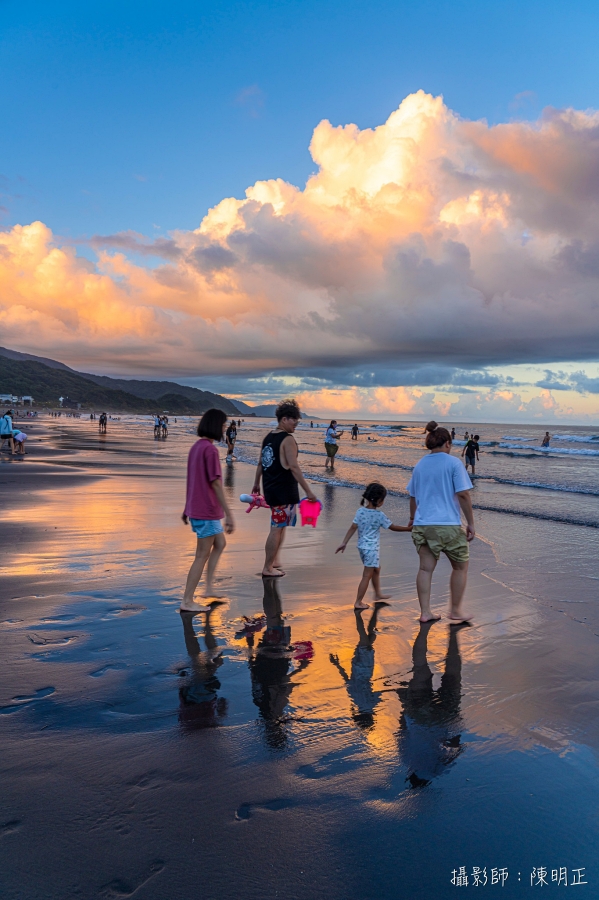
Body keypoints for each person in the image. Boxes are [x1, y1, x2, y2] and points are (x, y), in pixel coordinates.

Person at [407, 421, 475, 624]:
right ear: (447, 443)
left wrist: (412, 519)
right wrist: (470, 522)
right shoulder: (453, 463)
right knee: (460, 567)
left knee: (425, 569)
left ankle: (426, 612)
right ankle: (454, 610)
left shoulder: (420, 465)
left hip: (423, 524)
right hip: (447, 525)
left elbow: (412, 496)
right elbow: (463, 494)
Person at [251, 398, 318, 578]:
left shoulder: (268, 437)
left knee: (280, 526)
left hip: (271, 487)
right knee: (277, 527)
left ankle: (274, 560)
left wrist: (257, 483)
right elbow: (294, 467)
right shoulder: (287, 439)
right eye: (293, 418)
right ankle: (267, 567)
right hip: (283, 490)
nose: (296, 422)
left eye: (297, 418)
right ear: (283, 419)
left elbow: (260, 463)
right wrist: (308, 491)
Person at [181, 408, 235, 612]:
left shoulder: (196, 447)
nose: (223, 428)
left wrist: (187, 508)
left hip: (197, 509)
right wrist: (229, 514)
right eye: (222, 425)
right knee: (201, 555)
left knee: (220, 543)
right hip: (207, 510)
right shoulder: (210, 450)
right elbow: (215, 483)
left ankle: (209, 587)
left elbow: (192, 480)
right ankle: (187, 600)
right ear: (215, 425)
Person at [336, 482, 412, 610]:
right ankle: (358, 602)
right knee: (367, 575)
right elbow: (392, 527)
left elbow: (353, 527)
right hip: (371, 549)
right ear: (379, 501)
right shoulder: (379, 515)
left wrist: (344, 542)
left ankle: (377, 594)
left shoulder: (360, 511)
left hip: (362, 547)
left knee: (376, 569)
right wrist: (408, 529)